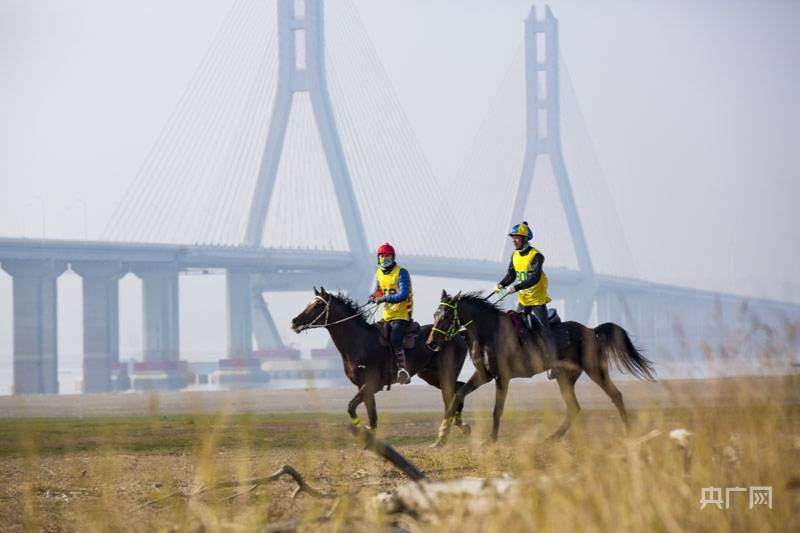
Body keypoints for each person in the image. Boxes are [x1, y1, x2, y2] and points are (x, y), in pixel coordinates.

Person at [495, 221, 559, 379]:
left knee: (544, 329)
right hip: (523, 300)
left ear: (525, 239)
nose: (514, 240)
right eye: (513, 238)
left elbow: (534, 278)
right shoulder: (515, 256)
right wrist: (501, 284)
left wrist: (515, 288)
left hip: (537, 300)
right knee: (515, 328)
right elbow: (511, 274)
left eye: (517, 238)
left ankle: (555, 365)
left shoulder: (536, 255)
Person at [368, 242, 413, 384]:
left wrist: (384, 298)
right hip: (386, 316)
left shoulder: (401, 272)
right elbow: (379, 290)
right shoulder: (378, 273)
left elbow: (404, 294)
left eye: (387, 256)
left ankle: (402, 370)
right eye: (382, 256)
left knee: (394, 340)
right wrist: (374, 296)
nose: (384, 259)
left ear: (393, 257)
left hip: (402, 315)